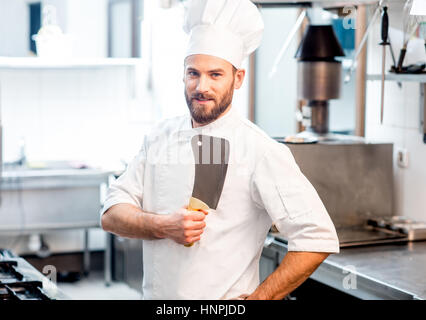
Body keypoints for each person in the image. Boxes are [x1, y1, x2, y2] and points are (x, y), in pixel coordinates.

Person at [101, 0, 339, 300]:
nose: (202, 86)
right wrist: (163, 226)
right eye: (193, 73)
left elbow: (317, 237)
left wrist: (261, 298)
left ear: (237, 78)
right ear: (183, 74)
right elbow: (110, 214)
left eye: (215, 75)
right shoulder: (160, 137)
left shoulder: (259, 150)